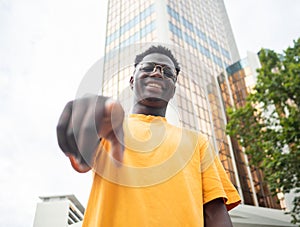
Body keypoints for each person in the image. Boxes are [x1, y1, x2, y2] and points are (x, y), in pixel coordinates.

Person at [56, 45, 241, 226]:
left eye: (168, 72)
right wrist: (82, 120)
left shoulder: (198, 142)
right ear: (131, 81)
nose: (157, 73)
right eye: (148, 68)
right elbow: (81, 159)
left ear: (174, 89)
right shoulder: (109, 126)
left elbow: (215, 213)